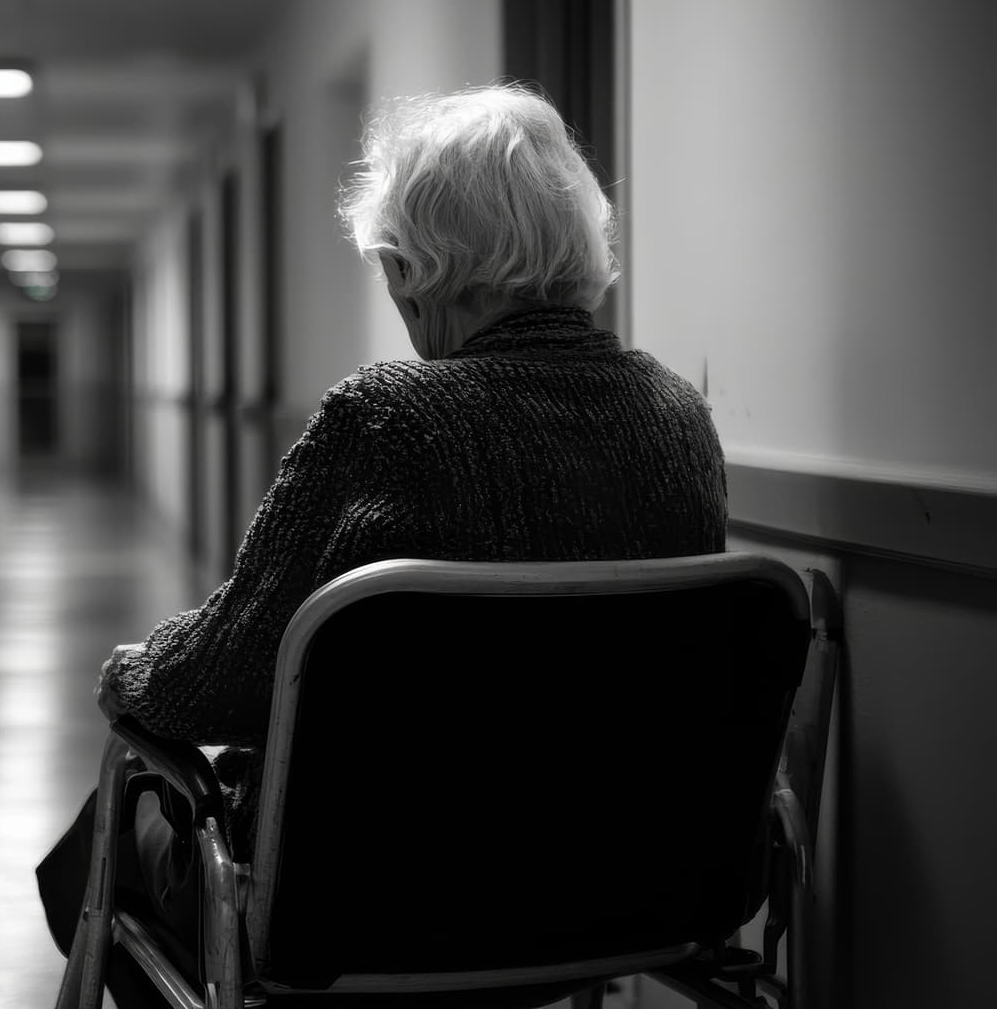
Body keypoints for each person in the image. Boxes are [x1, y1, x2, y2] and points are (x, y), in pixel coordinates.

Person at [36, 82, 729, 1006]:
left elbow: (226, 679)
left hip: (385, 900)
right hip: (639, 885)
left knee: (100, 842)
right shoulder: (680, 418)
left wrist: (135, 673)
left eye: (394, 270)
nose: (399, 298)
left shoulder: (392, 418)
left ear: (418, 268)